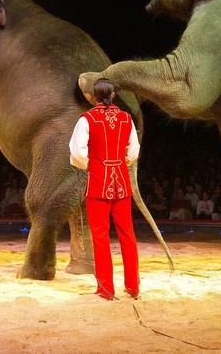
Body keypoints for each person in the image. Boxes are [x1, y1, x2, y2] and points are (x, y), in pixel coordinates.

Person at [69, 79, 141, 300]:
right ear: (113, 95)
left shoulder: (87, 119)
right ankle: (133, 286)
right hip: (121, 181)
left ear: (94, 96)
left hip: (98, 182)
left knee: (100, 235)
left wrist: (90, 165)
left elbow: (77, 151)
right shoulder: (126, 118)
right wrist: (119, 162)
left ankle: (106, 289)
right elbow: (134, 152)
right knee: (127, 234)